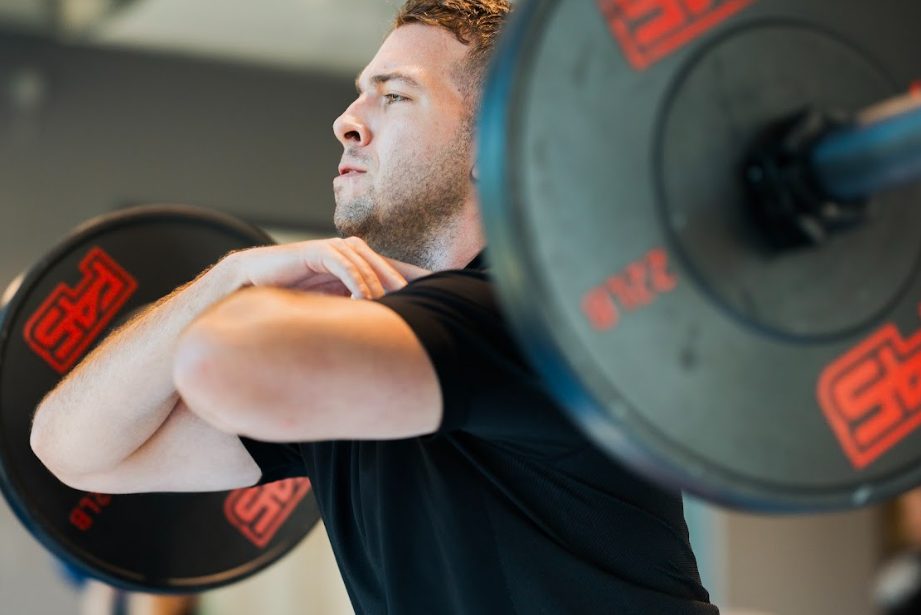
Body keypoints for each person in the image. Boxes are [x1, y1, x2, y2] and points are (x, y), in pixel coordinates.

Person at [30, 1, 719, 613]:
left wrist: (253, 299)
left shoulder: (528, 319)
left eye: (393, 95)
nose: (346, 121)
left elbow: (222, 363)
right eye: (360, 93)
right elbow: (72, 451)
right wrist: (227, 277)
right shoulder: (369, 361)